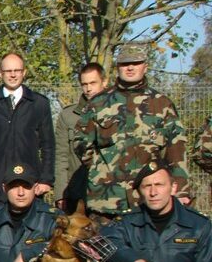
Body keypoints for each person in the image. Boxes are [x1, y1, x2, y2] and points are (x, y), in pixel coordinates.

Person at [74, 43, 191, 221]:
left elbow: (176, 149)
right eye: (124, 64)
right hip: (107, 201)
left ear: (145, 66)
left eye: (135, 63)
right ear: (117, 67)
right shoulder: (98, 104)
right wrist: (100, 169)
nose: (130, 67)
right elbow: (81, 142)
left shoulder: (161, 104)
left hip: (149, 199)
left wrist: (181, 189)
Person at [0, 52, 55, 208]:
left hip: (30, 183)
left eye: (17, 70)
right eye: (8, 71)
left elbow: (48, 145)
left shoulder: (39, 103)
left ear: (24, 72)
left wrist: (46, 179)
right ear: (0, 73)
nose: (13, 75)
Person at [53, 63, 108, 214]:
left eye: (93, 83)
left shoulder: (119, 113)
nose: (88, 88)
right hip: (76, 193)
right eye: (84, 84)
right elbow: (61, 156)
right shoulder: (68, 116)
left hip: (108, 193)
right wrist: (60, 193)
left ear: (104, 82)